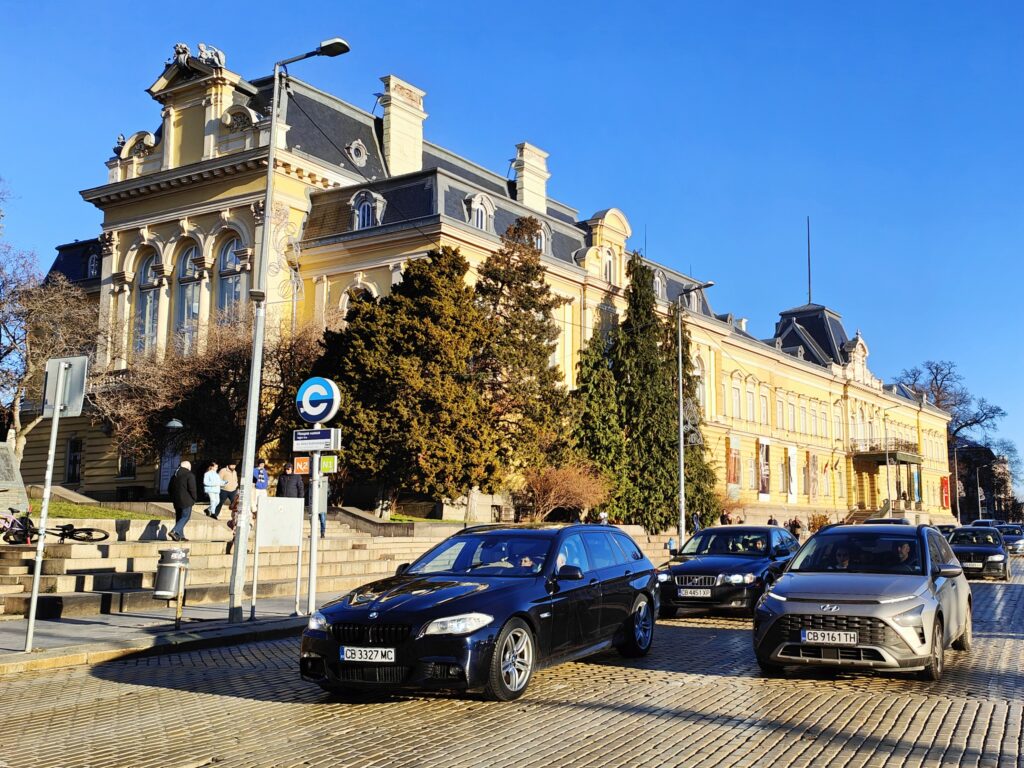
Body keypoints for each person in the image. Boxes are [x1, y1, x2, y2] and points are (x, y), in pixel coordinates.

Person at [167, 460, 197, 542]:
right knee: (185, 517)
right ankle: (174, 531)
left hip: (176, 500)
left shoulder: (174, 475)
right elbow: (192, 488)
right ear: (188, 467)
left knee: (179, 517)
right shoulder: (189, 475)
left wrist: (173, 497)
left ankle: (180, 535)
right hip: (186, 500)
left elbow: (169, 488)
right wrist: (194, 498)